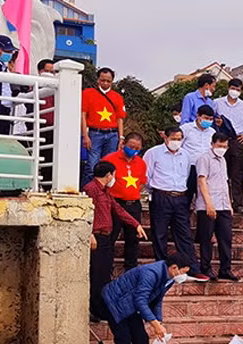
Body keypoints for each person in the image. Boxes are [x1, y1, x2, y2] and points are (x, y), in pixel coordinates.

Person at [100, 252, 191, 344]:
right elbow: (140, 300)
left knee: (141, 340)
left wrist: (159, 321)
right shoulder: (151, 273)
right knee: (123, 340)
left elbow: (157, 300)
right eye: (183, 272)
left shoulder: (169, 278)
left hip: (131, 306)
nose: (183, 275)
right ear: (174, 268)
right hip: (115, 303)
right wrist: (154, 324)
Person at [143, 127, 209, 281]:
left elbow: (186, 175)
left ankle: (191, 268)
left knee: (184, 234)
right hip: (161, 195)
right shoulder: (153, 153)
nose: (176, 141)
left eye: (179, 138)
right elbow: (146, 176)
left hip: (180, 197)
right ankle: (162, 268)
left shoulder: (185, 155)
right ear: (165, 137)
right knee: (160, 233)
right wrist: (155, 192)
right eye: (173, 138)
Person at [84, 161, 147, 321]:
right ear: (108, 175)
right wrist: (89, 233)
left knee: (105, 274)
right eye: (113, 174)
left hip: (106, 237)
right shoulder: (91, 189)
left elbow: (118, 210)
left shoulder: (105, 191)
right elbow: (86, 212)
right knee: (97, 275)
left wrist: (136, 224)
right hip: (96, 236)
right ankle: (95, 309)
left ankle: (102, 308)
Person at [196, 132, 238, 281]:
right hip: (208, 205)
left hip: (223, 205)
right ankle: (206, 268)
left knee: (225, 238)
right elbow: (202, 181)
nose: (222, 148)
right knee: (206, 238)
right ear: (212, 144)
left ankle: (225, 269)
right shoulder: (204, 158)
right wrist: (209, 203)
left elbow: (225, 182)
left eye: (225, 146)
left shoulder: (222, 160)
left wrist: (229, 204)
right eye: (220, 146)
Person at [103, 132, 147, 271]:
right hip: (115, 203)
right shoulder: (110, 159)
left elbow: (142, 183)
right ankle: (106, 268)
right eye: (131, 146)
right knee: (111, 237)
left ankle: (130, 270)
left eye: (137, 148)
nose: (133, 150)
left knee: (133, 239)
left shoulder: (141, 162)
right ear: (123, 144)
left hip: (133, 204)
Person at [215, 78, 243, 213]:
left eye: (238, 90)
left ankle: (238, 203)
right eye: (233, 88)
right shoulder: (217, 103)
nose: (235, 92)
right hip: (221, 139)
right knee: (220, 171)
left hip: (236, 140)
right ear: (228, 88)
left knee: (237, 173)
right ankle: (222, 201)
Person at [81, 67, 126, 188]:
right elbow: (83, 114)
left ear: (112, 82)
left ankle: (106, 194)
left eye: (108, 81)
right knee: (92, 165)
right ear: (98, 80)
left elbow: (120, 118)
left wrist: (121, 137)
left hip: (112, 134)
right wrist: (85, 135)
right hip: (95, 133)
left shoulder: (117, 97)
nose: (105, 83)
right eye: (103, 80)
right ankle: (87, 191)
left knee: (109, 166)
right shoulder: (88, 93)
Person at [181, 104, 217, 197]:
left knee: (203, 195)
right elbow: (178, 146)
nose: (208, 121)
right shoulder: (186, 129)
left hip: (205, 168)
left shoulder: (212, 132)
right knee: (187, 195)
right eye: (206, 118)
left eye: (210, 119)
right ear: (198, 116)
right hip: (189, 167)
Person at [37, 59, 56, 182]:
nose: (49, 74)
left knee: (50, 160)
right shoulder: (33, 86)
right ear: (39, 71)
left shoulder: (58, 88)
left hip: (54, 129)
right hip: (38, 128)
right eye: (46, 71)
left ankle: (47, 185)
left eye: (52, 71)